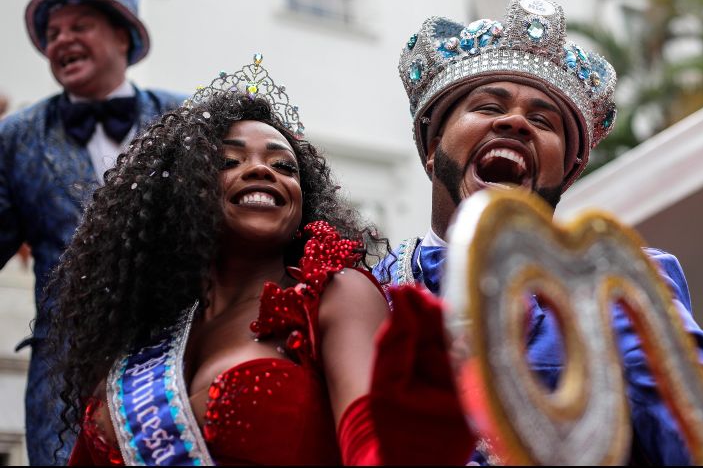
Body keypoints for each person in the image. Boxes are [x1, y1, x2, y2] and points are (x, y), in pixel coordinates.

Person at [375, 0, 703, 465]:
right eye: (488, 106)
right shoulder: (368, 290)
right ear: (433, 147)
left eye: (542, 120)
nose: (515, 122)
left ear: (562, 174)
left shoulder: (612, 286)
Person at [48, 59, 474, 465]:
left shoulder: (334, 294)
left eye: (284, 165)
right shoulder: (140, 340)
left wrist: (417, 434)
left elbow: (369, 441)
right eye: (228, 162)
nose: (261, 171)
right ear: (182, 191)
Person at [0, 0, 183, 463]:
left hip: (175, 364)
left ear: (123, 36)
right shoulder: (15, 137)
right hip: (64, 384)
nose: (62, 40)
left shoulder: (186, 119)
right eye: (53, 33)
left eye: (79, 26)